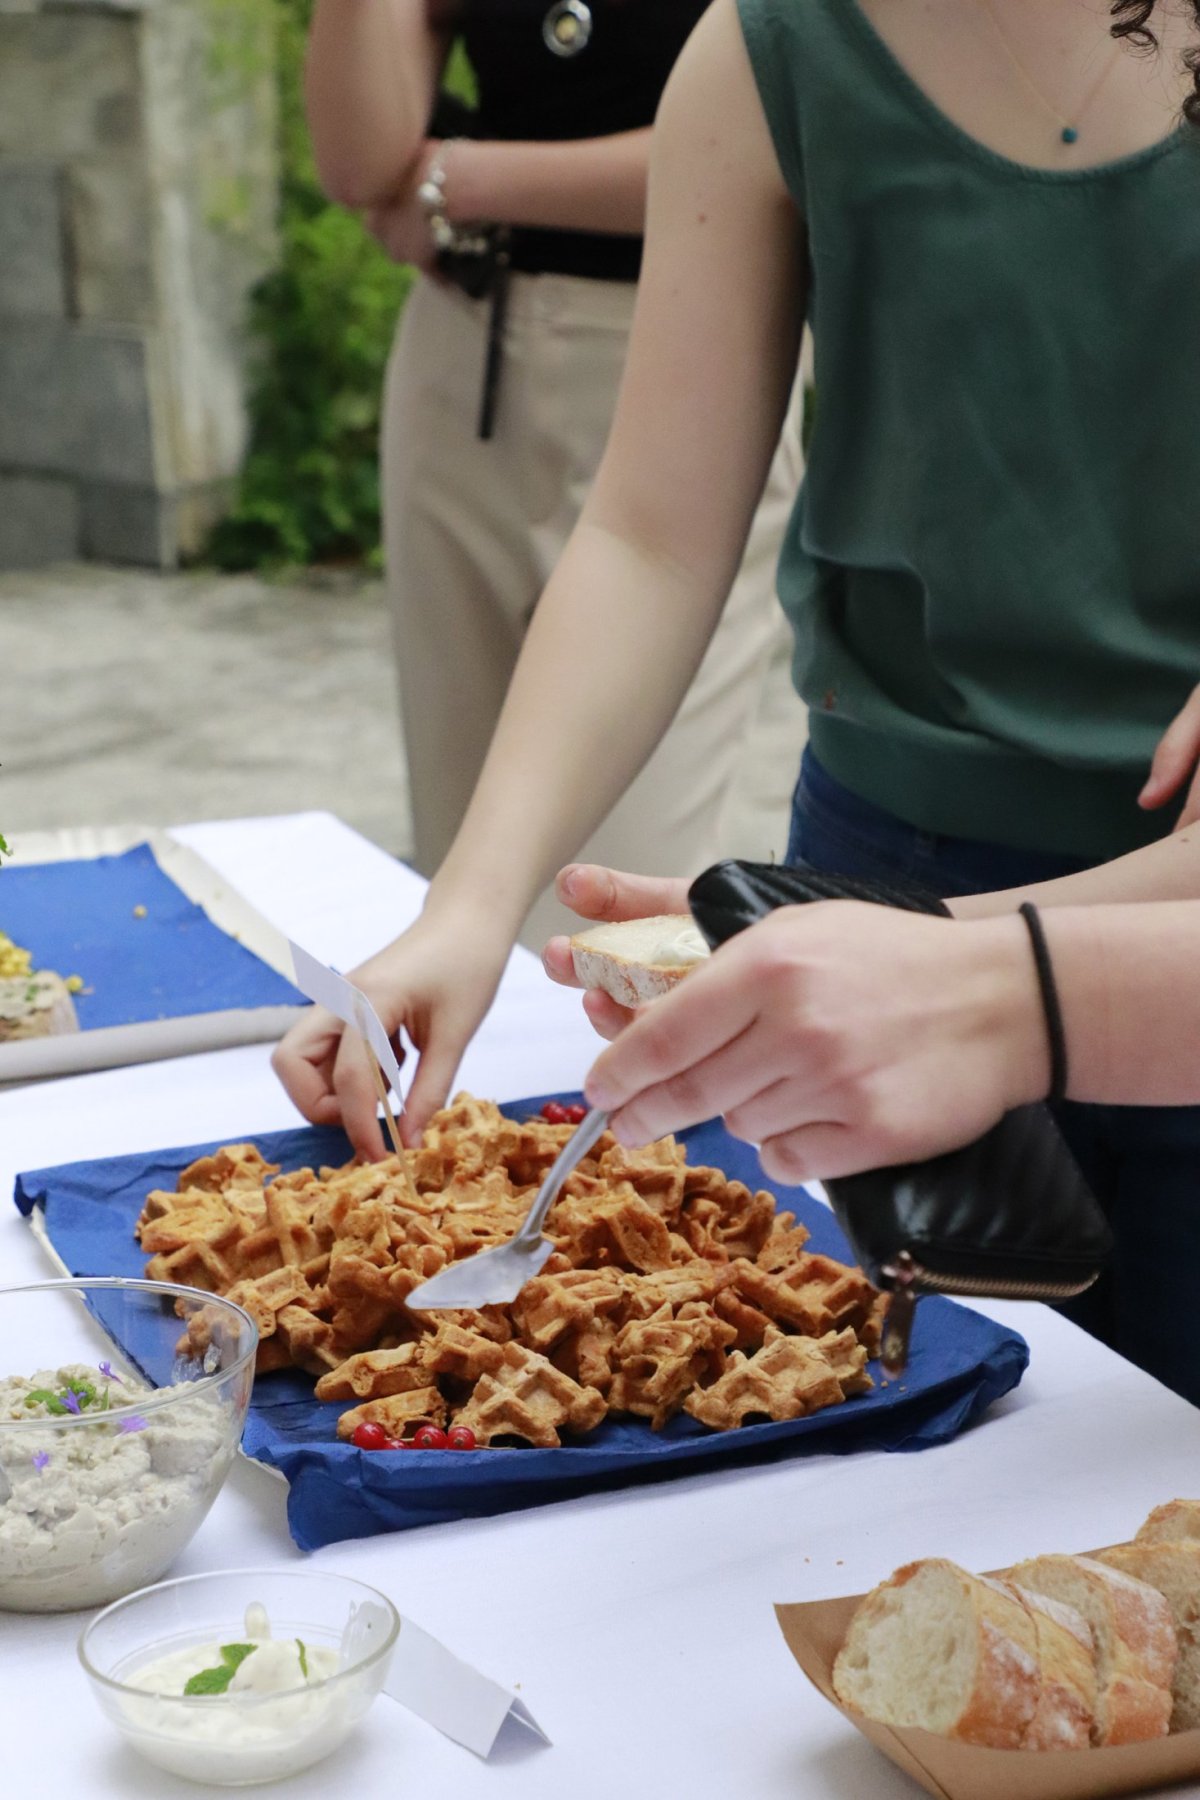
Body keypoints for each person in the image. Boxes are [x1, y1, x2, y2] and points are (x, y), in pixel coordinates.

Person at [278, 0, 1200, 1392]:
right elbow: (651, 532)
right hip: (879, 885)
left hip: (1160, 912)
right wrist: (468, 906)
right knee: (900, 1516)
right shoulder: (774, 45)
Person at [304, 0, 806, 949]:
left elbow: (778, 138)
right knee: (456, 879)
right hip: (464, 358)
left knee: (608, 903)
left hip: (694, 355)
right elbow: (360, 158)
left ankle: (603, 1101)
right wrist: (438, 182)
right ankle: (468, 1104)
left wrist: (469, 175)